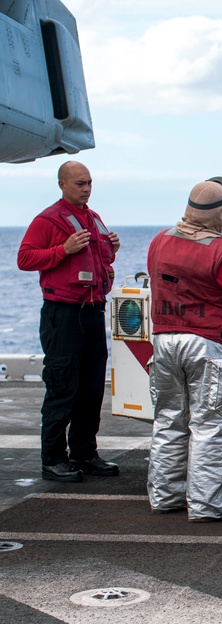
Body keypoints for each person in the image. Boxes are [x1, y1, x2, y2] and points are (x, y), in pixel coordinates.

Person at [146, 178, 222, 522]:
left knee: (169, 421)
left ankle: (165, 496)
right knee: (211, 427)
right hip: (209, 346)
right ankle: (209, 504)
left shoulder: (159, 241)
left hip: (165, 342)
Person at [16, 161, 121, 483]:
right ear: (62, 184)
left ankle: (84, 454)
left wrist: (112, 249)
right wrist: (62, 249)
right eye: (79, 183)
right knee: (63, 388)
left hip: (91, 312)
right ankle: (53, 460)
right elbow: (25, 258)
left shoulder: (94, 219)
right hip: (62, 314)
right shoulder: (48, 220)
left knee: (90, 389)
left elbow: (99, 260)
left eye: (89, 182)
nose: (86, 188)